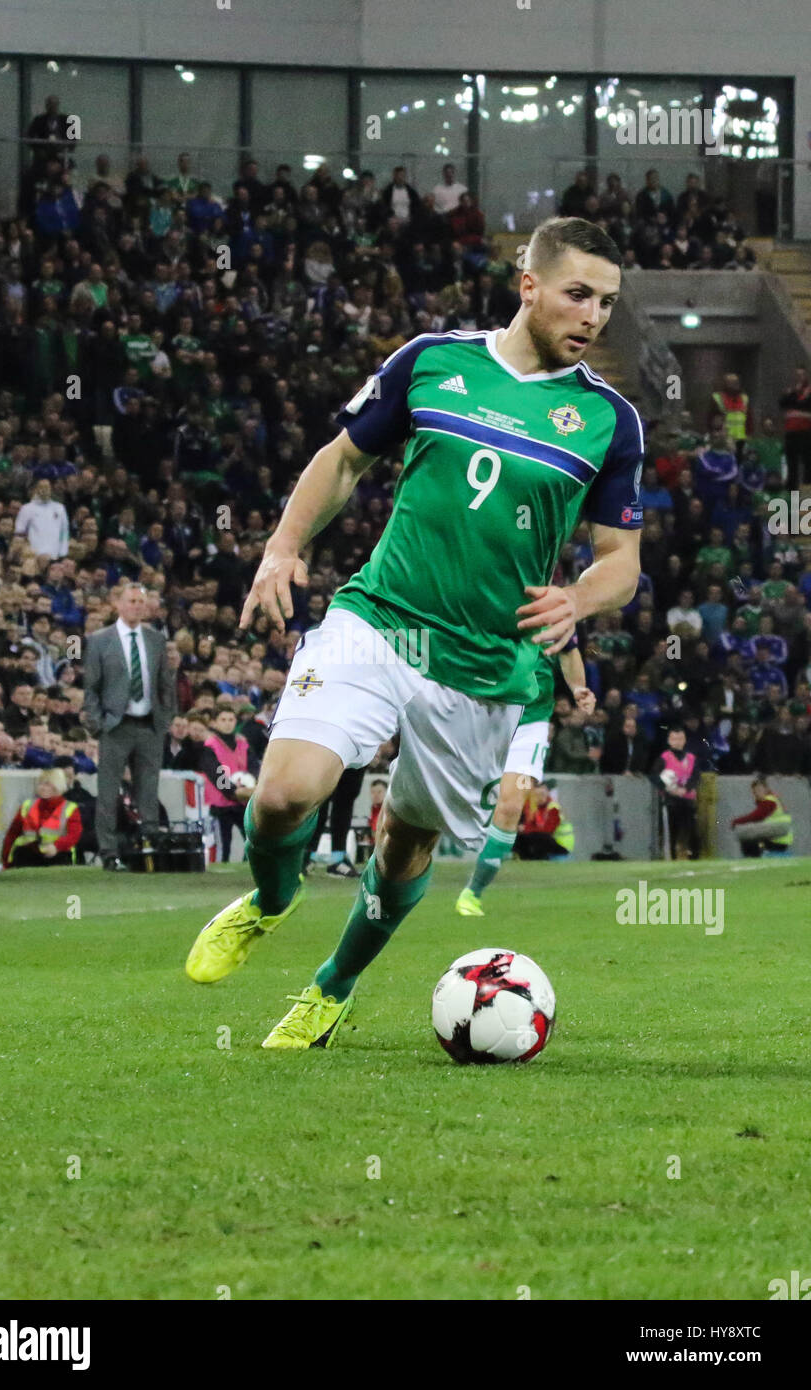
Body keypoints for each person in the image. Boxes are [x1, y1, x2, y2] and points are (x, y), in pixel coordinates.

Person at [183, 215, 642, 1050]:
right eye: (579, 294)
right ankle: (270, 900)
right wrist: (284, 547)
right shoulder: (433, 361)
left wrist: (580, 599)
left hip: (485, 665)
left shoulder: (609, 421)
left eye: (607, 302)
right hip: (381, 620)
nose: (593, 316)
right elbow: (343, 458)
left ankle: (333, 986)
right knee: (285, 791)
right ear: (528, 284)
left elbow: (620, 560)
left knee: (402, 844)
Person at [456, 634, 593, 915]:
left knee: (510, 807)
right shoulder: (488, 595)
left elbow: (568, 649)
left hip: (531, 723)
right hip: (484, 713)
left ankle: (473, 893)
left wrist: (578, 688)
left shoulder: (553, 607)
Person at [82, 582, 176, 871]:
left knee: (149, 787)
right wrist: (97, 724)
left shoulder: (156, 640)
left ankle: (149, 842)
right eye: (131, 601)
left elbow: (165, 683)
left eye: (140, 601)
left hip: (149, 723)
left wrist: (166, 718)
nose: (136, 606)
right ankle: (109, 851)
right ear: (118, 604)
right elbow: (91, 688)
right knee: (108, 791)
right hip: (116, 724)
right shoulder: (99, 640)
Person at [197, 708, 252, 863]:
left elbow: (253, 765)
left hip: (243, 801)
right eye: (223, 720)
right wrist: (233, 791)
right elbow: (215, 773)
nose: (228, 724)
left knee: (251, 838)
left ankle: (247, 864)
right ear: (214, 722)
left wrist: (251, 783)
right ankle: (222, 868)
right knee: (223, 842)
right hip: (221, 803)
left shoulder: (243, 742)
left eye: (231, 720)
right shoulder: (210, 745)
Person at [1, 767, 82, 868]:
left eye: (47, 784)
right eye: (40, 783)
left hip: (58, 854)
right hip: (27, 854)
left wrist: (56, 847)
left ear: (58, 786)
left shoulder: (70, 808)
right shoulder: (27, 805)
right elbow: (12, 834)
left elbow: (74, 835)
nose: (42, 787)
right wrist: (5, 861)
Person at [650, 726, 700, 859]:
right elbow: (654, 776)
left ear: (684, 740)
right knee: (671, 832)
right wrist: (669, 789)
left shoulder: (691, 758)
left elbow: (696, 776)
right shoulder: (664, 758)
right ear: (669, 741)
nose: (677, 742)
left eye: (680, 739)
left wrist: (685, 789)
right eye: (674, 739)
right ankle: (670, 857)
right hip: (670, 801)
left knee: (692, 831)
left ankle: (695, 858)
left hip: (688, 799)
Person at [730, 777, 793, 857]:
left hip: (777, 838)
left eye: (759, 790)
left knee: (748, 838)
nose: (756, 793)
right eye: (754, 791)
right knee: (751, 836)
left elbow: (756, 816)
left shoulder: (769, 801)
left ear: (766, 789)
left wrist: (736, 822)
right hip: (781, 838)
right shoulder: (774, 799)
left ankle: (754, 858)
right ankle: (757, 855)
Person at [514, 782, 574, 859]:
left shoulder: (553, 807)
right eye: (536, 795)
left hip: (560, 845)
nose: (539, 797)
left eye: (542, 794)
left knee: (537, 836)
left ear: (547, 794)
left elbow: (546, 828)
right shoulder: (535, 807)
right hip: (551, 843)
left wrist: (524, 828)